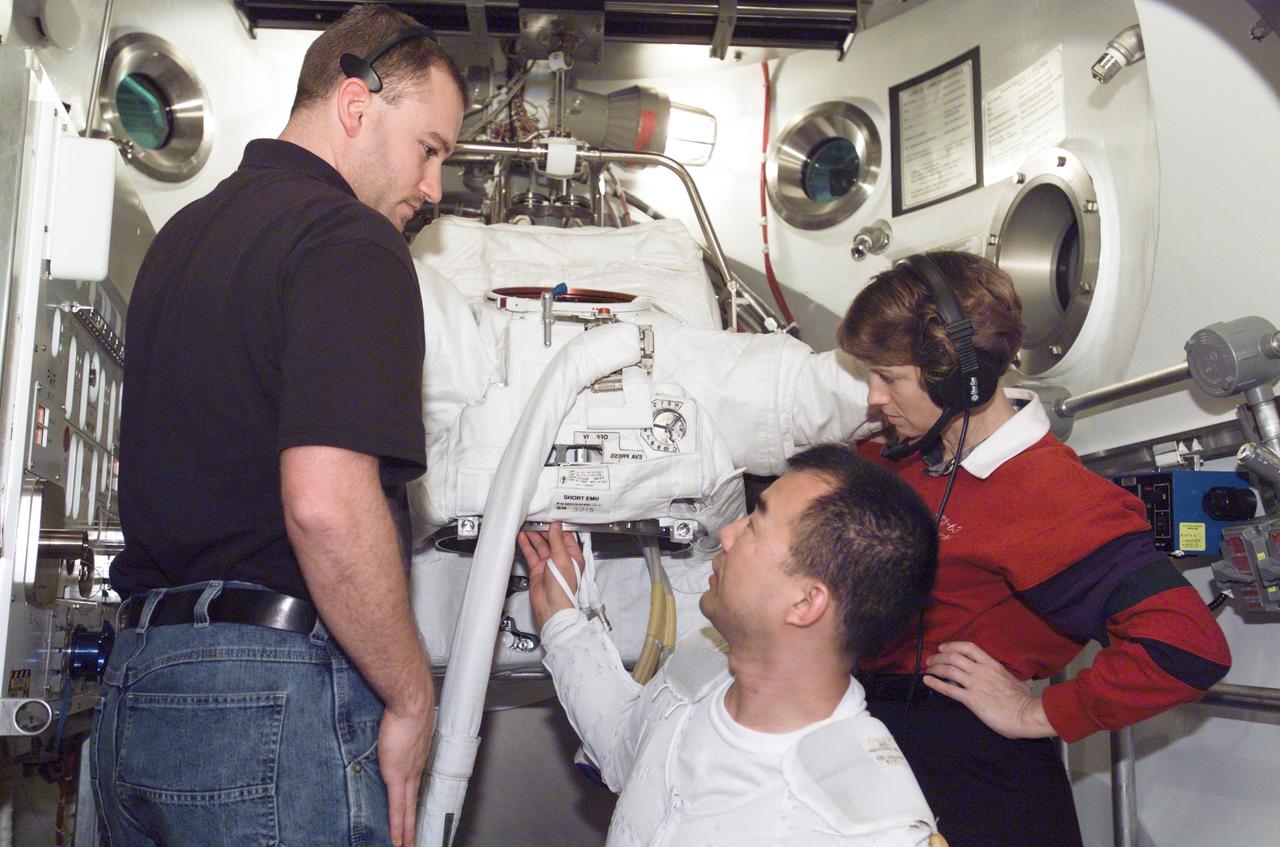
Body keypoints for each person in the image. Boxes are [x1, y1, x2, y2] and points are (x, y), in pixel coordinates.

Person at [91, 7, 465, 846]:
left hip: (135, 693)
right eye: (431, 149)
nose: (433, 187)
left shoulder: (183, 237)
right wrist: (412, 696)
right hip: (266, 699)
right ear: (356, 103)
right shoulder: (349, 238)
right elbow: (325, 503)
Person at [837, 250, 1232, 847]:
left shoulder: (1052, 495)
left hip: (969, 769)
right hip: (869, 742)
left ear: (956, 374)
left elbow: (1187, 648)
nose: (872, 397)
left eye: (888, 377)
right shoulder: (900, 456)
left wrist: (1038, 713)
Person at [518, 444, 943, 846]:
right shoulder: (703, 661)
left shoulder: (866, 827)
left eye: (753, 526)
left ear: (805, 603)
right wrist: (566, 624)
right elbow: (625, 750)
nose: (727, 535)